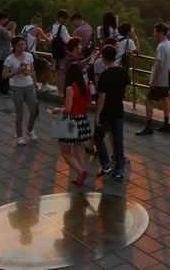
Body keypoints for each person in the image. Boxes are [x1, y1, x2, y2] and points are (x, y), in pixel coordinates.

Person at [50, 62, 93, 185]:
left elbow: (68, 109)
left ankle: (81, 172)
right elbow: (88, 105)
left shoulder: (70, 89)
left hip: (71, 122)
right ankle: (80, 178)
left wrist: (57, 110)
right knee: (79, 150)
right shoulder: (86, 87)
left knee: (65, 153)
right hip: (83, 121)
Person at [94, 45, 131, 182]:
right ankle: (119, 170)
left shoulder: (105, 75)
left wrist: (97, 115)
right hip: (118, 110)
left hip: (106, 112)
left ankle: (106, 165)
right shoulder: (122, 71)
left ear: (103, 57)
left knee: (98, 137)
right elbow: (125, 89)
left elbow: (102, 97)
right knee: (118, 141)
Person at [137, 23, 170, 135]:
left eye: (155, 32)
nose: (154, 34)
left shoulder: (161, 46)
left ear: (161, 32)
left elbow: (159, 65)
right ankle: (166, 123)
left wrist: (153, 81)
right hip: (167, 79)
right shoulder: (169, 44)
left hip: (159, 80)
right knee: (165, 98)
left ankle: (149, 126)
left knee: (148, 100)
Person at [85, 36, 119, 156]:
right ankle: (115, 155)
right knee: (109, 128)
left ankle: (90, 146)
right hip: (105, 99)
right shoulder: (100, 62)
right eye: (117, 47)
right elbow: (98, 82)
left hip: (109, 98)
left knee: (104, 128)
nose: (118, 50)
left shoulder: (111, 61)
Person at [2, 36, 39, 146]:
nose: (22, 47)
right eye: (19, 45)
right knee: (20, 114)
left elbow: (32, 71)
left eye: (23, 44)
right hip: (17, 87)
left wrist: (35, 84)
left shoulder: (29, 56)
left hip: (29, 86)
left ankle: (30, 129)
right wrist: (16, 72)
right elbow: (4, 75)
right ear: (13, 46)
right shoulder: (10, 59)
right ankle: (20, 136)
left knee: (34, 111)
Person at [20, 13, 55, 93]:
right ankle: (44, 86)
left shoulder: (25, 27)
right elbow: (48, 40)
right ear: (40, 23)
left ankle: (28, 88)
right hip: (30, 55)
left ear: (32, 21)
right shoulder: (38, 29)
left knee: (26, 73)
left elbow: (32, 37)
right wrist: (51, 36)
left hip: (22, 54)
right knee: (48, 66)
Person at [0, 11, 16, 97]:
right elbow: (12, 38)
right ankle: (5, 90)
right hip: (6, 53)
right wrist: (13, 29)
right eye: (5, 19)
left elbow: (3, 33)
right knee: (6, 71)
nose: (6, 21)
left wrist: (7, 27)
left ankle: (0, 89)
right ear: (2, 19)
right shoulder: (2, 29)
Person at [51, 10, 72, 97]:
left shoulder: (54, 25)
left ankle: (58, 90)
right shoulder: (62, 27)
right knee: (62, 72)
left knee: (57, 72)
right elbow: (67, 39)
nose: (65, 21)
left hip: (55, 51)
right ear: (61, 18)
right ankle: (61, 91)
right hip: (62, 52)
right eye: (65, 19)